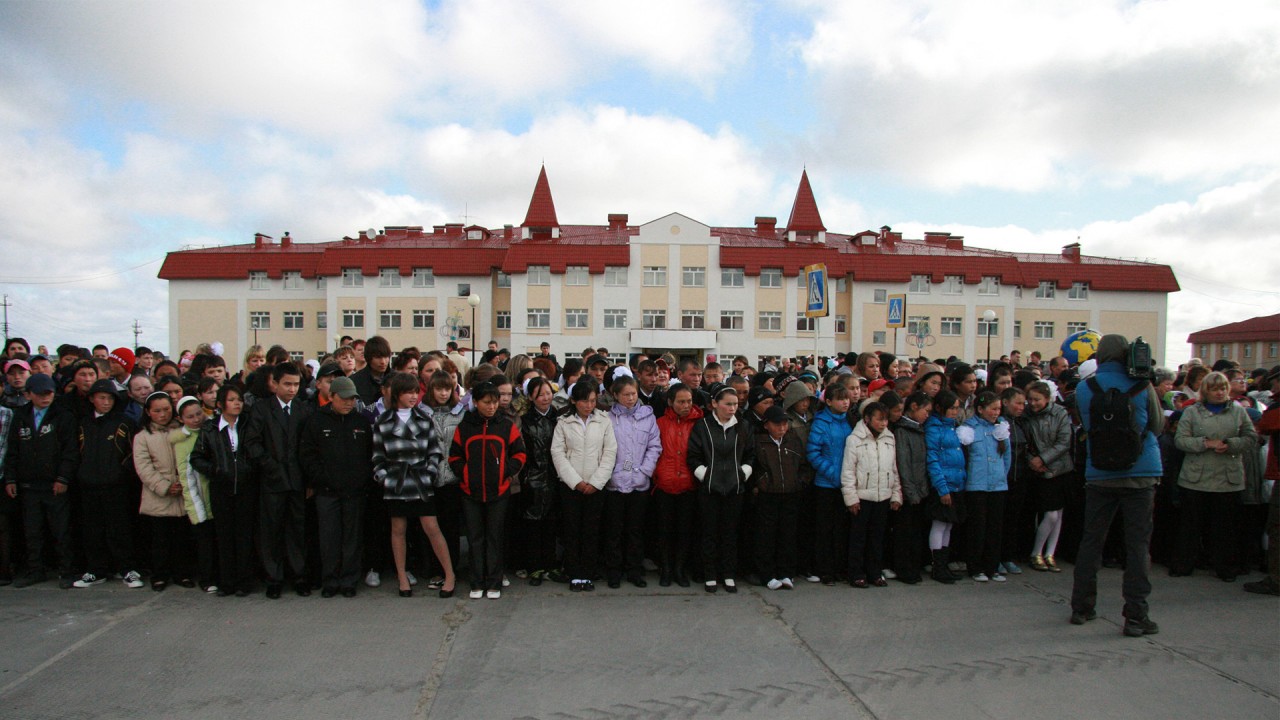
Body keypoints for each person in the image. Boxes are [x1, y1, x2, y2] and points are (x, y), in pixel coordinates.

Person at [1070, 334, 1164, 637]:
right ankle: (1136, 615)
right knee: (1137, 545)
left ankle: (1081, 607)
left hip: (1099, 472)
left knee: (1091, 541)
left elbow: (1086, 425)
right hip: (1141, 472)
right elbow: (1157, 425)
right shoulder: (1143, 385)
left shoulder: (1086, 387)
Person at [373, 373, 456, 599]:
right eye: (408, 392)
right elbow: (378, 456)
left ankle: (449, 575)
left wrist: (429, 472)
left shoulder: (423, 418)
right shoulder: (383, 421)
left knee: (432, 527)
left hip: (420, 481)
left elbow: (434, 451)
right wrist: (385, 477)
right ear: (397, 394)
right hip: (396, 482)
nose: (413, 396)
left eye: (415, 391)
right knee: (398, 530)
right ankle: (402, 577)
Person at [1170, 371, 1257, 581]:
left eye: (1223, 389)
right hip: (1195, 477)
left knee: (1225, 527)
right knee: (1190, 525)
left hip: (1227, 478)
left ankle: (1225, 566)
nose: (1220, 393)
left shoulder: (1237, 411)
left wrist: (1231, 444)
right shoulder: (1191, 412)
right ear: (1206, 391)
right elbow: (1180, 440)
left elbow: (1251, 436)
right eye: (1215, 389)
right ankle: (1184, 563)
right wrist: (1205, 443)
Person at [450, 380, 526, 600]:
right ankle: (477, 581)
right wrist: (466, 475)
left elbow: (519, 453)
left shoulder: (506, 425)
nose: (492, 406)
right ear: (475, 402)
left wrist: (506, 473)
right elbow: (454, 457)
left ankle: (494, 581)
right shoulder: (465, 426)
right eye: (486, 402)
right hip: (470, 492)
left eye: (494, 402)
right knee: (475, 538)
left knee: (495, 537)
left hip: (499, 491)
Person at [300, 376, 373, 598]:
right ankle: (330, 580)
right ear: (331, 397)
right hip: (327, 492)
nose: (349, 403)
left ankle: (349, 580)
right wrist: (321, 479)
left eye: (352, 399)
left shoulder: (361, 423)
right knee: (329, 538)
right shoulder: (316, 421)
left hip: (354, 492)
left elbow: (369, 455)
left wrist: (361, 480)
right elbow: (308, 455)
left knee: (352, 538)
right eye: (344, 399)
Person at [244, 362, 313, 598]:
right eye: (287, 384)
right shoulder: (262, 409)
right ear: (275, 383)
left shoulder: (303, 409)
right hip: (272, 480)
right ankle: (274, 578)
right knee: (271, 530)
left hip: (298, 481)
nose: (292, 389)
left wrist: (307, 478)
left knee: (297, 529)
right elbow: (252, 443)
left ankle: (300, 576)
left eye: (296, 384)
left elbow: (308, 446)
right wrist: (269, 466)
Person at [6, 373, 78, 589]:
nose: (45, 397)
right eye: (40, 394)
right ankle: (35, 569)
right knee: (32, 531)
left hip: (55, 484)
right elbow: (13, 450)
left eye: (49, 393)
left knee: (61, 530)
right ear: (29, 394)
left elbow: (70, 451)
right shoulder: (20, 416)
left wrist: (63, 477)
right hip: (28, 485)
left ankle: (67, 570)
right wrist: (11, 478)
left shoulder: (63, 415)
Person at [71, 379, 143, 589]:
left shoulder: (124, 422)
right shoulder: (84, 423)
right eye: (101, 397)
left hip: (116, 486)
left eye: (110, 398)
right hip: (89, 485)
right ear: (92, 399)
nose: (106, 402)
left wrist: (121, 474)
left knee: (119, 528)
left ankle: (127, 568)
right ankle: (96, 570)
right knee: (92, 529)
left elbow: (132, 453)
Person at [190, 383, 258, 597]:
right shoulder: (209, 429)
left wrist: (250, 468)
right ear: (220, 404)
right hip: (221, 488)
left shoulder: (248, 425)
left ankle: (244, 581)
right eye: (231, 400)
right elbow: (196, 457)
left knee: (244, 536)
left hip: (247, 487)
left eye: (239, 399)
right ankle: (226, 582)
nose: (237, 403)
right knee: (225, 536)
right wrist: (215, 470)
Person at [687, 383, 754, 593]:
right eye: (727, 404)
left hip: (735, 489)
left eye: (735, 404)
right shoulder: (703, 426)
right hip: (709, 490)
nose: (732, 408)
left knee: (730, 533)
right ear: (715, 404)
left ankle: (728, 574)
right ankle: (710, 574)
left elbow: (750, 454)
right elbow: (693, 456)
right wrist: (705, 476)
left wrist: (742, 473)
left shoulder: (743, 426)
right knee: (709, 533)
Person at [551, 381, 617, 592]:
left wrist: (596, 482)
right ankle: (574, 573)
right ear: (573, 401)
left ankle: (588, 573)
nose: (589, 405)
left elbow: (610, 452)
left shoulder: (604, 421)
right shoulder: (563, 422)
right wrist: (576, 482)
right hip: (570, 487)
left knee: (591, 530)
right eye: (584, 401)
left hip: (596, 486)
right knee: (572, 530)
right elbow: (558, 453)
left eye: (592, 401)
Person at [603, 375, 661, 588]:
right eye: (625, 394)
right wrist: (611, 473)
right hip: (614, 483)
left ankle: (635, 571)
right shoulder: (607, 418)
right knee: (614, 530)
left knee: (636, 530)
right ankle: (614, 571)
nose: (630, 398)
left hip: (639, 483)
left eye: (633, 394)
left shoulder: (648, 417)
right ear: (615, 395)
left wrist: (644, 471)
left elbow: (654, 446)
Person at [133, 391, 190, 591]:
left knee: (182, 540)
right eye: (157, 411)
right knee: (160, 541)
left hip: (183, 494)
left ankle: (182, 573)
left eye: (166, 409)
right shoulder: (143, 437)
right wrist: (165, 487)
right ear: (148, 412)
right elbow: (144, 467)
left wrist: (184, 482)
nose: (163, 414)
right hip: (158, 496)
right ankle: (160, 575)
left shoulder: (183, 431)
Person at [841, 401, 902, 588]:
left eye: (885, 420)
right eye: (879, 419)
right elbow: (848, 471)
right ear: (867, 419)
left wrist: (896, 494)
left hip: (882, 496)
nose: (883, 423)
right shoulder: (854, 440)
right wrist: (851, 497)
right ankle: (856, 573)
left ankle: (875, 572)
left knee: (877, 537)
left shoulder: (889, 438)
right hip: (862, 497)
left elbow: (894, 468)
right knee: (858, 538)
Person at [958, 391, 1011, 583]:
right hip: (976, 486)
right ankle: (975, 566)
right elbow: (965, 457)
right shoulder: (969, 429)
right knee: (977, 528)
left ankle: (992, 566)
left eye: (998, 409)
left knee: (995, 529)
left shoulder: (1001, 429)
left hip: (997, 486)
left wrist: (1000, 478)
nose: (996, 412)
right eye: (992, 408)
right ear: (980, 409)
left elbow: (1007, 458)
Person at [753, 404, 807, 590]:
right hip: (768, 495)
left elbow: (804, 465)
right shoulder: (758, 442)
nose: (782, 428)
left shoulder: (793, 441)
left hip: (791, 494)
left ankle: (786, 573)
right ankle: (766, 574)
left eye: (785, 424)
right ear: (766, 424)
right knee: (767, 536)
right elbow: (753, 466)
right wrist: (761, 483)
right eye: (777, 424)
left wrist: (799, 482)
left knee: (788, 535)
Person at [653, 384, 702, 587]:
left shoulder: (699, 424)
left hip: (689, 485)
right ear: (670, 402)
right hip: (664, 484)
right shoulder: (660, 423)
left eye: (689, 401)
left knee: (685, 530)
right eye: (681, 401)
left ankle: (680, 569)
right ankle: (666, 569)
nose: (685, 405)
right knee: (664, 531)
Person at [1023, 381, 1074, 572]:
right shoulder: (1026, 416)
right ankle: (1036, 552)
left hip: (1060, 468)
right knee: (1050, 514)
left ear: (1047, 399)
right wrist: (1033, 460)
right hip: (1039, 471)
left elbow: (1064, 441)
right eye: (1030, 399)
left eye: (1037, 399)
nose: (1033, 403)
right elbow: (1025, 442)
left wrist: (1044, 458)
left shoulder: (1059, 413)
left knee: (1058, 514)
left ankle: (1049, 553)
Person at [806, 383, 853, 585]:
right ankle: (824, 569)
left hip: (846, 484)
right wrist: (834, 474)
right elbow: (813, 453)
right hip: (826, 484)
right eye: (840, 398)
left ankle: (839, 567)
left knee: (842, 529)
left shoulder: (848, 421)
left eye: (847, 398)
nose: (845, 402)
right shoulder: (821, 422)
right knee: (825, 529)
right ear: (829, 401)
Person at [516, 377, 561, 585]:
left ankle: (551, 564)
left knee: (552, 524)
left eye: (548, 393)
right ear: (531, 398)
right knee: (533, 525)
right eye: (540, 394)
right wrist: (526, 476)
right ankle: (534, 566)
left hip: (555, 477)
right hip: (532, 479)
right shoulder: (524, 421)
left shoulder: (559, 418)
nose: (546, 398)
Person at [172, 396, 218, 593]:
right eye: (190, 416)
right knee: (204, 543)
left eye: (198, 413)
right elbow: (186, 476)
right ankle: (207, 578)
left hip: (216, 494)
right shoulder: (181, 441)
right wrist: (194, 507)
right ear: (181, 419)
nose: (196, 419)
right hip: (198, 497)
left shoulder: (213, 429)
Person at [925, 390, 966, 584]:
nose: (954, 412)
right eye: (951, 408)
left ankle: (944, 563)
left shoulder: (952, 427)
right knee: (940, 524)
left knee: (949, 524)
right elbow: (932, 459)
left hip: (956, 483)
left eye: (957, 408)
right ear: (940, 408)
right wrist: (942, 487)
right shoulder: (934, 428)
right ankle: (937, 565)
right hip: (944, 484)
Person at [891, 392, 931, 584]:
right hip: (908, 493)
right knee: (905, 533)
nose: (927, 415)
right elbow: (903, 464)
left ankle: (914, 566)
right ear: (914, 407)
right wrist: (911, 491)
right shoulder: (902, 431)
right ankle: (904, 568)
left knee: (916, 532)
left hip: (919, 490)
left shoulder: (919, 429)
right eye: (926, 410)